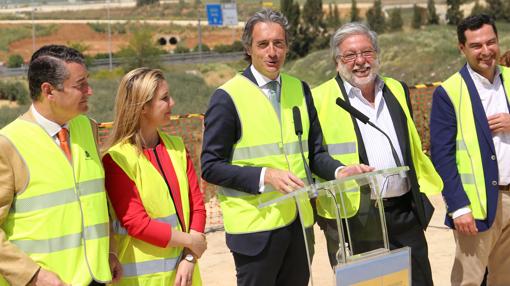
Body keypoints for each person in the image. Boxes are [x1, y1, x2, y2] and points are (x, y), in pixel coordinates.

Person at [201, 9, 372, 286]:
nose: (272, 52)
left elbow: (315, 154)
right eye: (263, 44)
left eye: (279, 44)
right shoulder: (227, 97)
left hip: (299, 227)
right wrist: (265, 175)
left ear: (287, 46)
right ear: (248, 48)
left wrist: (339, 171)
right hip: (255, 231)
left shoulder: (299, 89)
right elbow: (210, 167)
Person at [312, 22, 442, 286]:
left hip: (405, 211)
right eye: (350, 55)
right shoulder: (319, 98)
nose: (360, 61)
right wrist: (339, 170)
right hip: (357, 217)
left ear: (377, 54)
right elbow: (314, 154)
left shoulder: (396, 89)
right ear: (337, 61)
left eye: (367, 52)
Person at [0, 45, 122, 285]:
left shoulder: (87, 128)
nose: (90, 90)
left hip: (97, 277)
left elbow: (95, 200)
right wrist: (33, 275)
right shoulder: (8, 144)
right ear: (49, 90)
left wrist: (110, 250)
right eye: (80, 85)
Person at [102, 67, 207, 286]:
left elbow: (196, 204)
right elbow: (136, 223)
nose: (173, 103)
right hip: (143, 279)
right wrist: (191, 242)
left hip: (185, 276)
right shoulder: (116, 159)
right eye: (165, 98)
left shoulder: (177, 147)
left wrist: (189, 256)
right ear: (143, 108)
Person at [430, 14, 510, 285]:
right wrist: (458, 206)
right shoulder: (449, 92)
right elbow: (442, 155)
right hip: (476, 206)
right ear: (462, 48)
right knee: (469, 281)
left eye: (491, 42)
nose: (486, 51)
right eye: (476, 45)